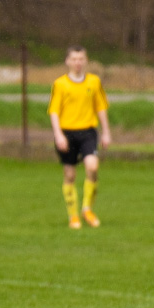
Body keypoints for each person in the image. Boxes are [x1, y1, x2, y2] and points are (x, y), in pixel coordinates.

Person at [48, 46, 111, 229]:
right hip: (67, 133)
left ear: (86, 61)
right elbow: (54, 112)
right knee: (70, 174)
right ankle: (73, 215)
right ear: (67, 61)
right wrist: (58, 135)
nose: (77, 62)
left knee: (92, 166)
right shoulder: (60, 84)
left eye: (81, 59)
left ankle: (87, 209)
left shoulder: (94, 82)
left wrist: (106, 132)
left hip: (88, 132)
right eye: (74, 59)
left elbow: (101, 107)